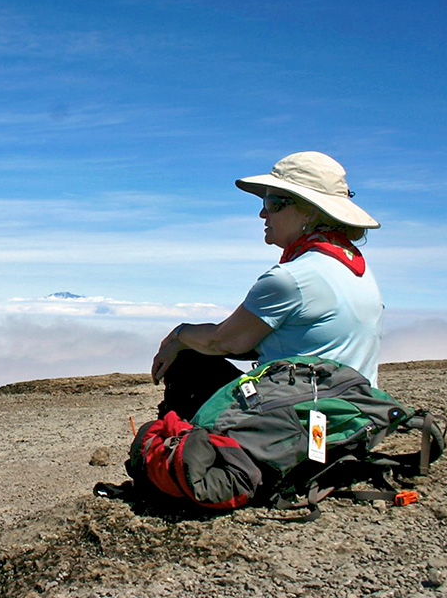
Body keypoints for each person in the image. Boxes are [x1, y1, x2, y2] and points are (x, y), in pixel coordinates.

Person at [151, 151, 383, 420]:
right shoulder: (353, 268)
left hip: (298, 418)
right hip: (352, 413)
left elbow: (222, 341)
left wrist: (179, 335)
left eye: (273, 202)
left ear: (309, 211)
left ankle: (185, 453)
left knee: (189, 365)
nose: (262, 212)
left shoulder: (294, 277)